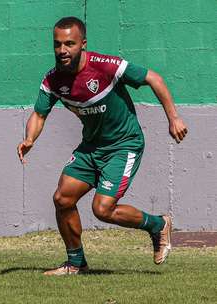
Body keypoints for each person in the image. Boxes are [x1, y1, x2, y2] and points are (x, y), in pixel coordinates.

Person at [17, 16, 188, 275]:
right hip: (91, 148)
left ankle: (157, 225)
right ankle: (76, 263)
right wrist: (30, 139)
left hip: (123, 145)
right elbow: (39, 114)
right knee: (62, 199)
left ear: (82, 44)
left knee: (102, 209)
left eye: (69, 44)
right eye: (57, 44)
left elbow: (155, 78)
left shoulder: (106, 66)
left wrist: (173, 118)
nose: (62, 50)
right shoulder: (53, 80)